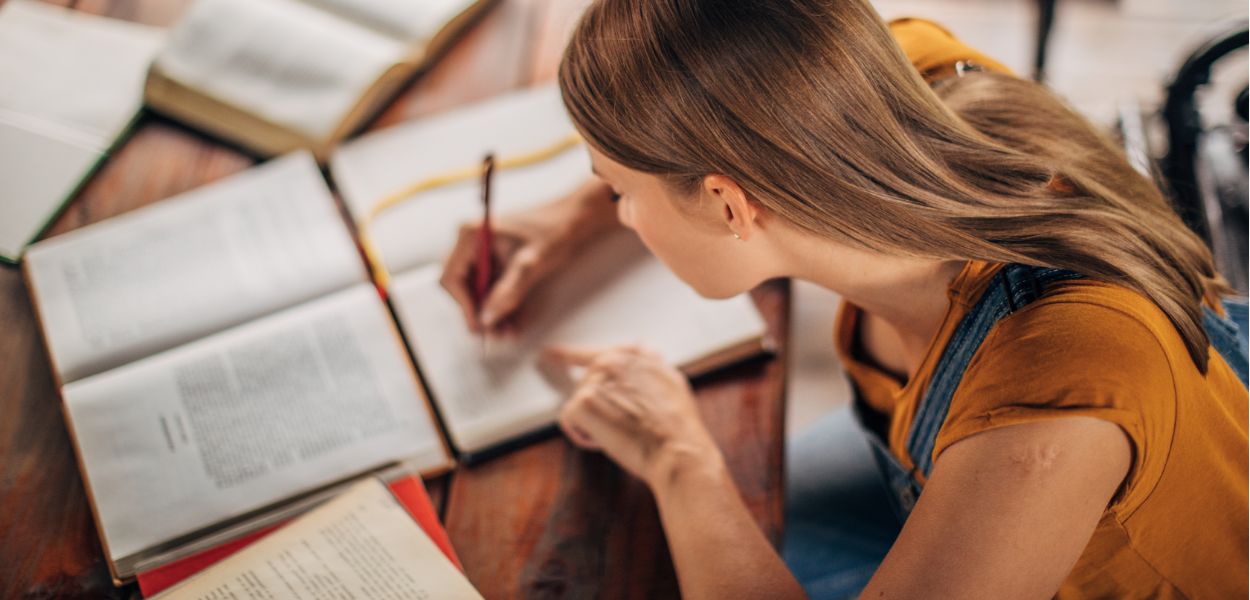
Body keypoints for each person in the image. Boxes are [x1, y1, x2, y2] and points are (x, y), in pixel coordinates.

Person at [438, 1, 1250, 598]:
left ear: (729, 206)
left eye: (613, 189)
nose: (614, 211)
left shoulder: (1054, 390)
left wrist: (680, 460)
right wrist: (563, 222)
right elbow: (742, 106)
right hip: (931, 470)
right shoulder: (909, 79)